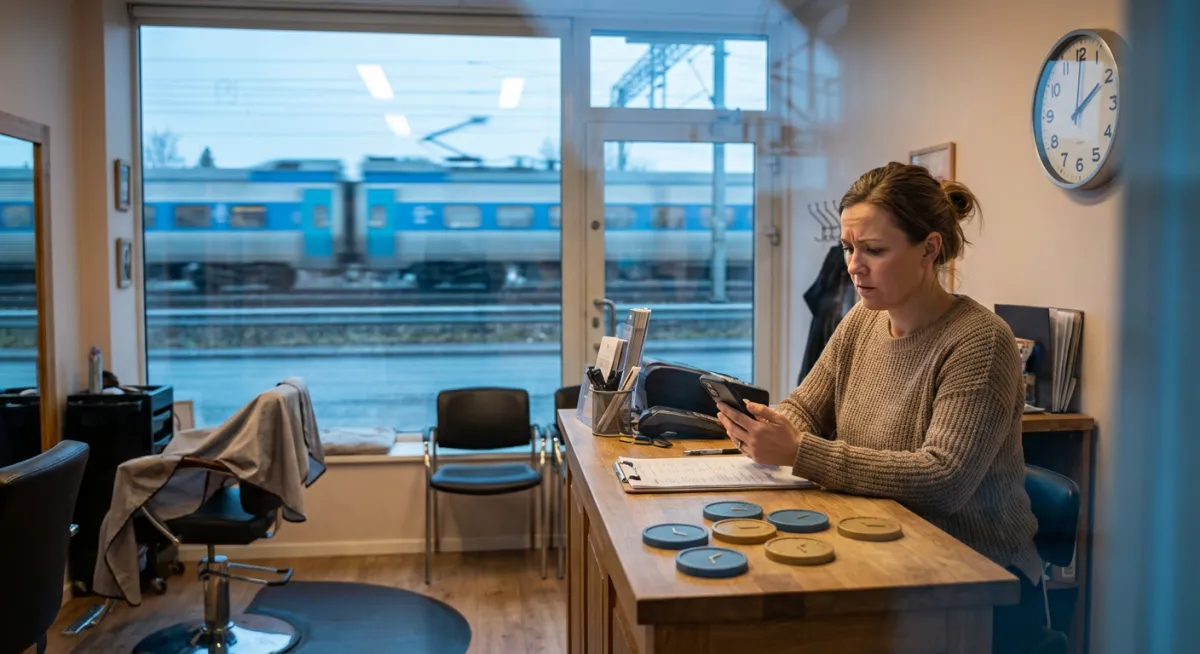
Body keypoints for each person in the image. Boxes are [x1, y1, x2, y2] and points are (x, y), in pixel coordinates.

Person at [716, 162, 1045, 654]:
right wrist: (769, 427)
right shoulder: (862, 323)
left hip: (979, 583)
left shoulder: (980, 342)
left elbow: (944, 479)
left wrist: (799, 451)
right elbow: (807, 406)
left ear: (929, 249)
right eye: (849, 248)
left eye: (874, 250)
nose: (854, 266)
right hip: (883, 552)